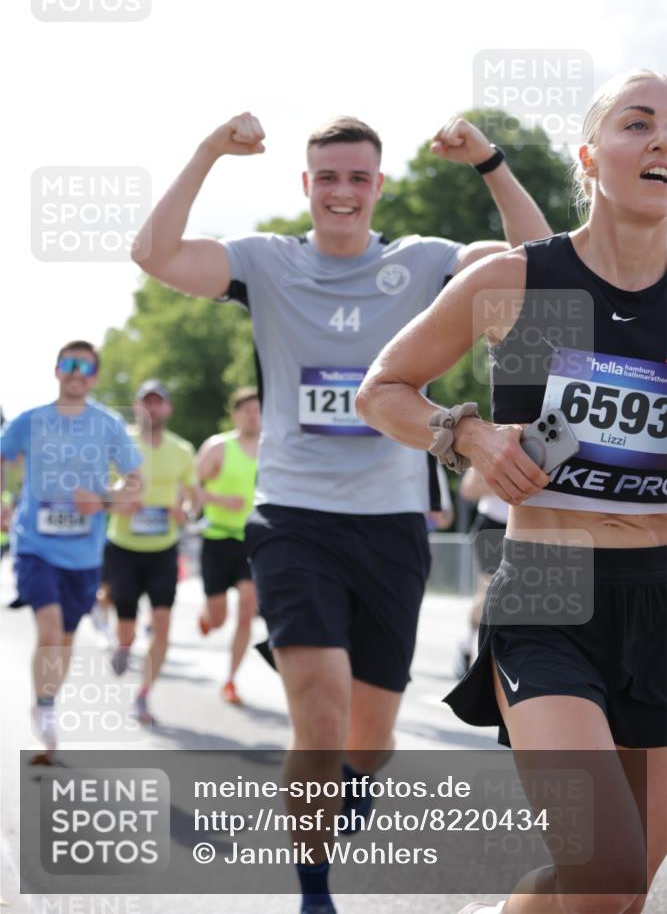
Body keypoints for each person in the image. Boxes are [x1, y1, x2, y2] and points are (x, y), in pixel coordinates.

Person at [131, 110, 551, 913]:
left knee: (370, 742)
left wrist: (489, 162)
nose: (342, 192)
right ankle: (313, 890)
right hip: (292, 515)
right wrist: (209, 150)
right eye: (327, 176)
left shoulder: (423, 262)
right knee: (318, 727)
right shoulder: (266, 262)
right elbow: (152, 254)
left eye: (358, 177)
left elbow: (537, 266)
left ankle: (355, 779)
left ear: (378, 186)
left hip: (392, 522)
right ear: (305, 185)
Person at [356, 69, 667, 914]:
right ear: (589, 156)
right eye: (638, 124)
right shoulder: (517, 281)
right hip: (549, 589)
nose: (660, 143)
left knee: (617, 887)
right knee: (602, 875)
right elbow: (381, 389)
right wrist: (465, 432)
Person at [0, 341, 143, 752]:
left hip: (83, 554)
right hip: (35, 546)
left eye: (86, 366)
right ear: (57, 370)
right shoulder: (29, 421)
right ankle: (44, 705)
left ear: (95, 376)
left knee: (64, 639)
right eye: (69, 363)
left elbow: (135, 484)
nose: (77, 371)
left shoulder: (109, 425)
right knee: (48, 630)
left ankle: (47, 700)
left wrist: (102, 500)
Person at [104, 379, 197, 724]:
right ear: (138, 405)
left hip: (163, 548)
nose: (152, 408)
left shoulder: (182, 449)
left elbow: (192, 496)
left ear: (168, 409)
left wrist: (183, 511)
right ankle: (124, 644)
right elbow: (100, 486)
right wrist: (117, 501)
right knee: (126, 623)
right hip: (124, 547)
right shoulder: (121, 442)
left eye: (158, 402)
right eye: (146, 401)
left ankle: (143, 695)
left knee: (162, 622)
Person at [197, 386, 260, 705]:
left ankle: (231, 680)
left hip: (252, 541)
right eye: (246, 410)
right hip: (218, 538)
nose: (253, 415)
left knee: (248, 608)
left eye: (258, 409)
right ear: (235, 415)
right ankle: (208, 616)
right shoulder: (219, 447)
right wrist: (220, 499)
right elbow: (191, 488)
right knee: (219, 618)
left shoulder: (274, 449)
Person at [455, 467, 508, 677]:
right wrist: (508, 477)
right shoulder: (496, 434)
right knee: (488, 593)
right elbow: (468, 489)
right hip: (494, 526)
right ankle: (468, 644)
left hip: (532, 526)